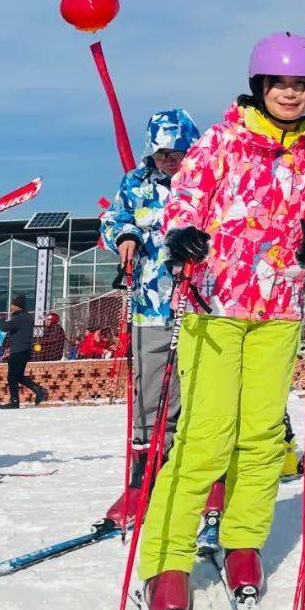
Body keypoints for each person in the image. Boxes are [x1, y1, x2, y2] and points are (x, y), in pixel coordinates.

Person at [137, 33, 305, 610]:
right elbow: (185, 199)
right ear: (260, 87)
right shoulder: (222, 140)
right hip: (214, 304)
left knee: (262, 437)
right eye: (281, 84)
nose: (291, 94)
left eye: (301, 86)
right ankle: (166, 559)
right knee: (206, 436)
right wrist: (179, 235)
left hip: (279, 308)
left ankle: (243, 541)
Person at [99, 109, 202, 528]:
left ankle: (202, 479)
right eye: (162, 153)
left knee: (199, 394)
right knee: (150, 396)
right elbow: (115, 218)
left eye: (177, 152)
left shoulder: (204, 178)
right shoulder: (136, 183)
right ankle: (144, 478)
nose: (169, 160)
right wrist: (125, 235)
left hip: (199, 305)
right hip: (151, 306)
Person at [0, 293, 47, 408]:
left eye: (12, 305)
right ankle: (39, 390)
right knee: (18, 376)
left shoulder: (20, 318)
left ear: (17, 306)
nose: (10, 307)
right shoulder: (26, 317)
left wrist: (1, 320)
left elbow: (4, 327)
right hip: (24, 350)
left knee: (12, 377)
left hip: (19, 351)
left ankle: (15, 401)